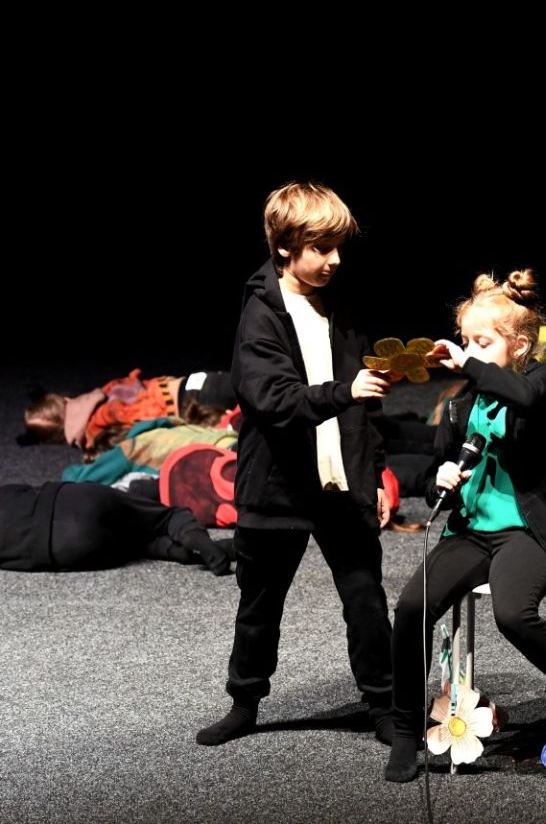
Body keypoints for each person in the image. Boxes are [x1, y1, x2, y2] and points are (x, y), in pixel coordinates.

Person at [384, 269, 546, 782]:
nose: (469, 351)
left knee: (513, 615)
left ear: (519, 344)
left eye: (482, 342)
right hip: (471, 531)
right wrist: (439, 480)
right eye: (466, 340)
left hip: (528, 532)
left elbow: (526, 398)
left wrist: (469, 362)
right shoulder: (461, 403)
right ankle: (406, 731)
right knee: (411, 609)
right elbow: (437, 477)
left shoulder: (545, 381)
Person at [196, 182, 396, 748]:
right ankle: (244, 703)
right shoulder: (261, 313)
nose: (335, 260)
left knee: (366, 599)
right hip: (277, 485)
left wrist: (377, 469)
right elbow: (272, 400)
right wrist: (345, 392)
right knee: (260, 604)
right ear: (285, 246)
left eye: (338, 248)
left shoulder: (342, 305)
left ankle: (383, 705)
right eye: (321, 248)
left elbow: (367, 402)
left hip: (341, 479)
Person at [1, 481, 232, 574]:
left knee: (140, 546)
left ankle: (187, 551)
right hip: (76, 499)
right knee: (163, 517)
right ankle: (192, 535)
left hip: (62, 545)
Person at [20, 370, 235, 450]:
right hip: (196, 382)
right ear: (65, 399)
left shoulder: (97, 436)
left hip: (198, 410)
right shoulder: (105, 391)